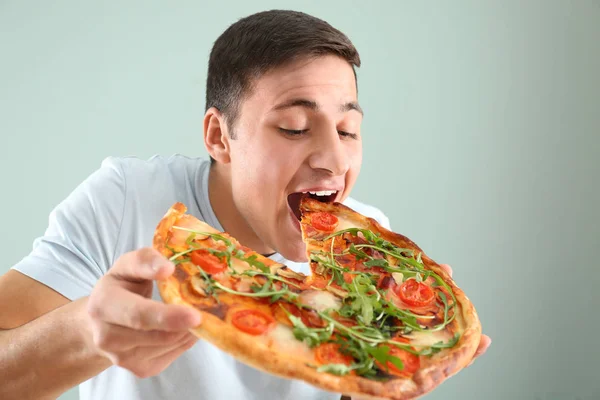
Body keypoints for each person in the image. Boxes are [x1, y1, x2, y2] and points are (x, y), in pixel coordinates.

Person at [0, 9, 490, 400]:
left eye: (348, 130)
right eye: (295, 127)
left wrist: (381, 383)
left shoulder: (365, 252)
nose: (334, 159)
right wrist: (88, 332)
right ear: (219, 136)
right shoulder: (128, 199)